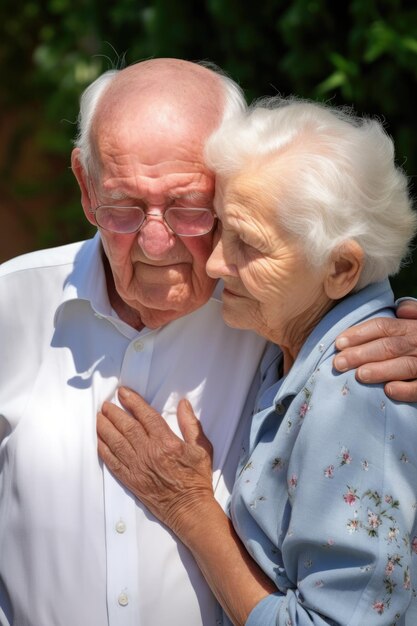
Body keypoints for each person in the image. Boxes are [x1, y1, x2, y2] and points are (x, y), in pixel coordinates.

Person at [0, 59, 416, 626]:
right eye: (123, 205)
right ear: (85, 186)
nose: (154, 239)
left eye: (188, 207)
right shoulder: (12, 307)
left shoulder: (280, 316)